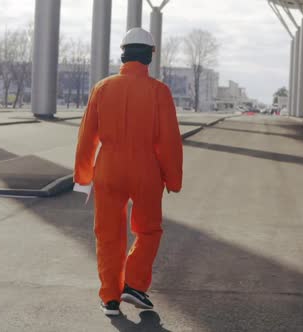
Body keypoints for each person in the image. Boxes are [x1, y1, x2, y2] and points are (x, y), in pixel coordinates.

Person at [74, 28, 183, 316]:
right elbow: (169, 139)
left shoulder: (103, 87)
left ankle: (110, 296)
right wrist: (173, 178)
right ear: (149, 56)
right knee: (148, 229)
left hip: (108, 167)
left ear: (122, 54)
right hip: (146, 168)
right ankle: (133, 284)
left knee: (108, 233)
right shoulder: (159, 91)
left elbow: (87, 136)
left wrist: (83, 176)